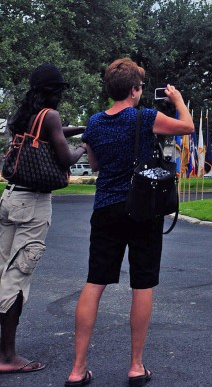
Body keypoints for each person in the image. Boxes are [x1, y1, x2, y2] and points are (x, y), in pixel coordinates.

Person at [65, 58, 194, 387]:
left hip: (106, 207)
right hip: (142, 208)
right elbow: (187, 127)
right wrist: (177, 99)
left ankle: (78, 369)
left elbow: (95, 164)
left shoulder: (94, 123)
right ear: (136, 90)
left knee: (95, 282)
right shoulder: (145, 117)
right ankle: (136, 366)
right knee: (142, 284)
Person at [0, 63, 86, 375]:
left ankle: (2, 349)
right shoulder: (50, 115)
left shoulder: (23, 115)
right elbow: (65, 158)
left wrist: (73, 131)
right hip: (33, 204)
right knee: (17, 276)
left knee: (2, 271)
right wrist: (83, 147)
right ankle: (7, 357)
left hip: (10, 198)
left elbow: (49, 135)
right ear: (54, 90)